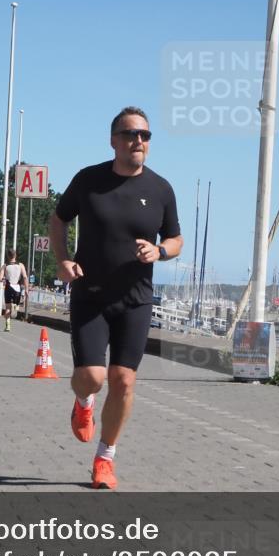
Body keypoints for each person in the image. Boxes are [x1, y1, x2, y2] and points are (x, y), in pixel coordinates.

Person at [50, 106, 182, 489]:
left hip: (136, 299)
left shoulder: (161, 189)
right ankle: (84, 403)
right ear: (113, 141)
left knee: (123, 381)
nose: (138, 141)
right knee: (91, 378)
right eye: (129, 134)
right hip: (90, 295)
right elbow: (59, 219)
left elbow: (175, 238)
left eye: (144, 135)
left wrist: (161, 251)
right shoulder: (89, 180)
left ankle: (105, 459)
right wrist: (63, 260)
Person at [0, 250, 30, 332]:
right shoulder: (21, 265)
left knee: (7, 308)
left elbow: (0, 278)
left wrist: (3, 280)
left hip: (8, 287)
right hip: (17, 287)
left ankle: (8, 325)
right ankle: (15, 307)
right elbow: (25, 277)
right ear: (15, 255)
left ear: (8, 256)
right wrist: (26, 289)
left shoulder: (5, 266)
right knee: (16, 305)